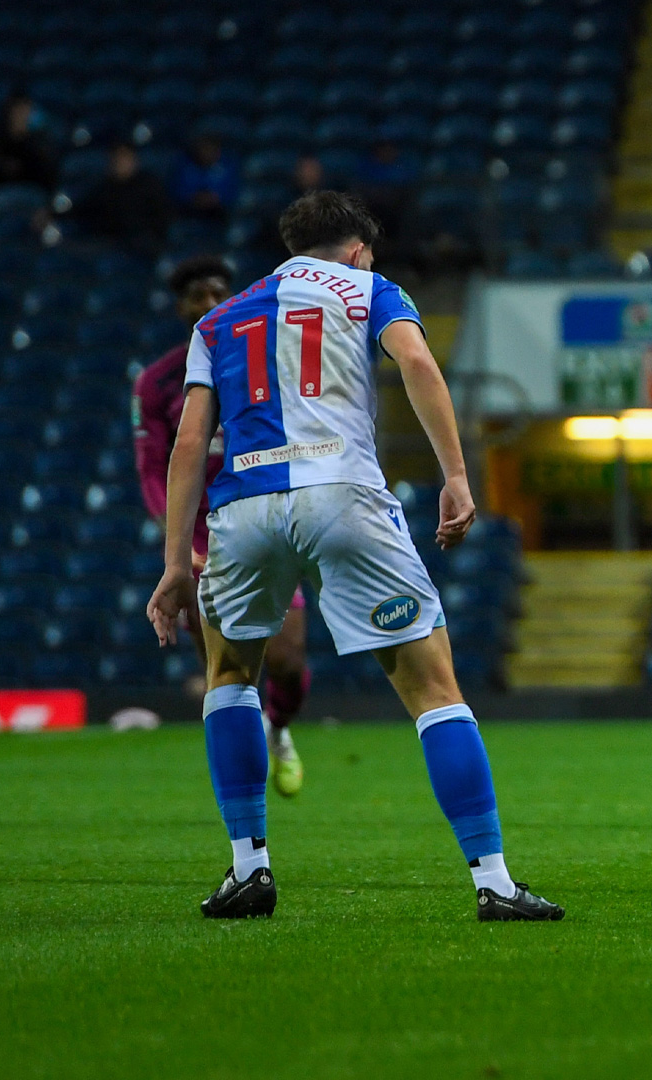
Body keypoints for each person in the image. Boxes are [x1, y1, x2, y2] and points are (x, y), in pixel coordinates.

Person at [145, 191, 562, 922]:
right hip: (343, 493)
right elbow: (419, 367)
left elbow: (186, 443)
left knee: (229, 675)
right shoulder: (373, 289)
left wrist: (177, 563)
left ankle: (249, 870)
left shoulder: (217, 320)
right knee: (434, 690)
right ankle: (493, 882)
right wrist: (458, 478)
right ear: (358, 249)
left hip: (242, 507)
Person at [134, 255, 312, 796]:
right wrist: (180, 546)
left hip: (265, 522)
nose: (208, 303)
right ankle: (243, 808)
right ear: (180, 306)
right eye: (196, 295)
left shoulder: (263, 361)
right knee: (226, 673)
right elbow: (154, 470)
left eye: (217, 292)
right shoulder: (157, 383)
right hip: (204, 543)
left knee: (286, 660)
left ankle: (277, 729)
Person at [75, 142, 172, 253]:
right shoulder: (104, 188)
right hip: (110, 242)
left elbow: (163, 216)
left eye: (124, 157)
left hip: (143, 242)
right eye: (116, 158)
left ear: (134, 160)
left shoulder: (149, 185)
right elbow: (84, 212)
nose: (120, 162)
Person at [0, 92, 58, 192]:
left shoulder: (38, 143)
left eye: (26, 110)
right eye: (18, 111)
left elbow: (48, 177)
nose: (22, 115)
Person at [170, 136, 238, 223]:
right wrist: (193, 198)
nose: (205, 153)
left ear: (217, 151)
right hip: (188, 214)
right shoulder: (184, 166)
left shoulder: (229, 166)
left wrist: (217, 198)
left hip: (220, 215)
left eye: (209, 149)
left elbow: (234, 192)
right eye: (202, 149)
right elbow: (176, 191)